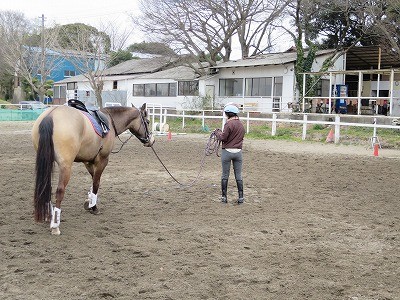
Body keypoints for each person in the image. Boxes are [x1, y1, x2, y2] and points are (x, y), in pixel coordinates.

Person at [214, 104, 245, 204]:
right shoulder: (240, 124)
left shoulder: (228, 124)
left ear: (228, 114)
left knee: (225, 175)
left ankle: (224, 197)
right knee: (238, 175)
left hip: (227, 152)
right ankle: (241, 197)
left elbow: (223, 137)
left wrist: (217, 132)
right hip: (238, 152)